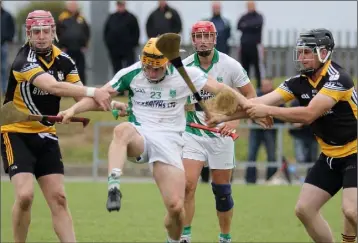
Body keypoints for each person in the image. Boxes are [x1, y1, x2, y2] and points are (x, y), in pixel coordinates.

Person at [58, 37, 269, 243]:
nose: (151, 73)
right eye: (147, 67)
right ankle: (114, 185)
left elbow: (224, 90)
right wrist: (73, 109)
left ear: (166, 63)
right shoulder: (131, 73)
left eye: (156, 68)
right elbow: (100, 96)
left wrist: (253, 110)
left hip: (170, 144)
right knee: (122, 130)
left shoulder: (186, 75)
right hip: (141, 136)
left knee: (176, 209)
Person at [207, 28, 357, 243]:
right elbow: (257, 103)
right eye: (301, 52)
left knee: (351, 211)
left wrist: (269, 112)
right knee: (305, 210)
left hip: (355, 152)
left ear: (324, 53)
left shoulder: (338, 79)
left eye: (308, 52)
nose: (302, 57)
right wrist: (223, 115)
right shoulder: (297, 82)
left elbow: (308, 115)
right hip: (330, 156)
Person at [0, 10, 111, 243]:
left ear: (54, 33)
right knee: (25, 196)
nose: (41, 36)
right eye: (35, 32)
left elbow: (81, 99)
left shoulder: (65, 61)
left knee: (59, 197)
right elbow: (54, 87)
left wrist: (112, 104)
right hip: (15, 133)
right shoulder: (23, 60)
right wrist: (95, 92)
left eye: (45, 31)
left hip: (46, 134)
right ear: (28, 34)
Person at [180, 20, 256, 243]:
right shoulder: (183, 66)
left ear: (215, 39)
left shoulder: (230, 65)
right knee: (187, 185)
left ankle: (225, 237)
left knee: (222, 192)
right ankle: (184, 236)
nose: (203, 41)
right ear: (193, 40)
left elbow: (251, 97)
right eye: (198, 36)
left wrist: (234, 122)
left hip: (221, 135)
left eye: (207, 36)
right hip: (192, 132)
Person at [57, 0, 90, 85]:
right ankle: (66, 87)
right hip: (66, 48)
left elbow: (87, 31)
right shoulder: (62, 17)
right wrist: (61, 46)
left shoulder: (81, 17)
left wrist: (85, 45)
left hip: (79, 48)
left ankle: (82, 87)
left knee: (81, 68)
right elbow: (57, 32)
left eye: (74, 5)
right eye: (71, 5)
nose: (73, 7)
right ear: (67, 6)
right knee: (66, 68)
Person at [104, 0, 140, 75]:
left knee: (129, 69)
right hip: (115, 50)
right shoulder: (111, 17)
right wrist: (110, 46)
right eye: (119, 5)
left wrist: (132, 44)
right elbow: (106, 32)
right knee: (117, 71)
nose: (120, 7)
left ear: (125, 5)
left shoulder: (131, 17)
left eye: (122, 5)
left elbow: (136, 32)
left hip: (128, 50)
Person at [237, 1, 265, 88]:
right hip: (245, 46)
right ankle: (246, 87)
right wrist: (249, 26)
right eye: (248, 6)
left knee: (258, 67)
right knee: (245, 69)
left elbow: (257, 25)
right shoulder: (243, 17)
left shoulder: (259, 16)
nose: (250, 7)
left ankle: (259, 87)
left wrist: (246, 25)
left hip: (255, 46)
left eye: (251, 5)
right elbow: (238, 26)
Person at [1, 1, 15, 95]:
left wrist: (9, 38)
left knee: (4, 68)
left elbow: (12, 28)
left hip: (3, 44)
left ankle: (4, 89)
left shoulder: (7, 15)